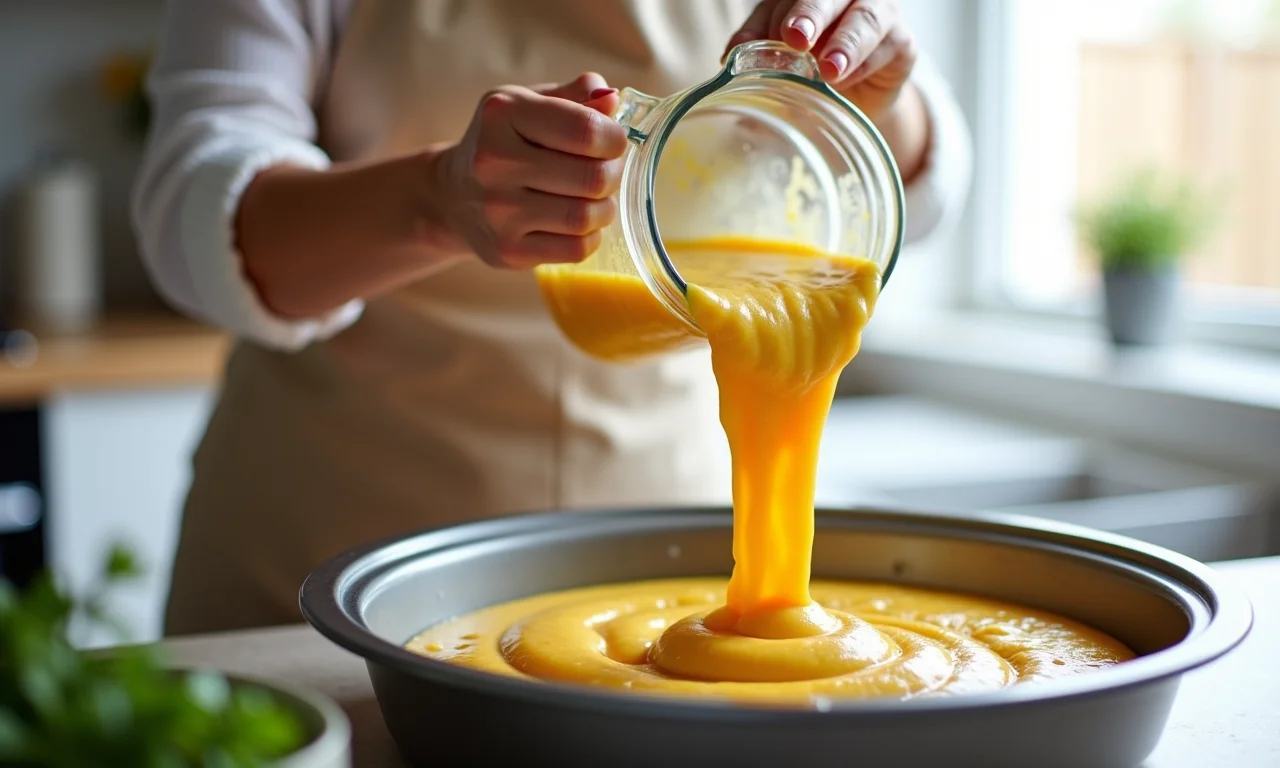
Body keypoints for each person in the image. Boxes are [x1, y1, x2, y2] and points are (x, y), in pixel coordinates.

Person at [132, 0, 972, 636]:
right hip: (327, 573)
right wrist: (435, 199)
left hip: (664, 570)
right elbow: (189, 226)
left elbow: (926, 183)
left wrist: (876, 97)